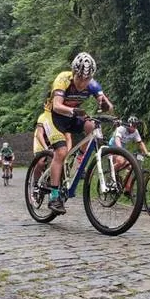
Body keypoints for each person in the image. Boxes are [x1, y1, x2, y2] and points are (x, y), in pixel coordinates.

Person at [41, 52, 114, 214]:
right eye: (79, 78)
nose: (82, 83)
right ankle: (53, 196)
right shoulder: (63, 79)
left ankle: (78, 163)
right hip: (53, 116)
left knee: (92, 125)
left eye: (86, 79)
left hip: (72, 115)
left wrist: (104, 104)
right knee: (60, 152)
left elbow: (108, 105)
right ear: (73, 73)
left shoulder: (92, 84)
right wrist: (75, 110)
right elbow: (57, 106)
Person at [108, 116, 150, 193]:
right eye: (133, 126)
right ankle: (111, 178)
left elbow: (140, 143)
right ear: (129, 124)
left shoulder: (135, 131)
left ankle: (127, 188)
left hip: (122, 148)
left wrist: (146, 152)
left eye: (136, 126)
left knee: (130, 166)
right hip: (113, 146)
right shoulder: (121, 128)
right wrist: (121, 151)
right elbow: (117, 140)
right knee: (120, 161)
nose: (134, 128)